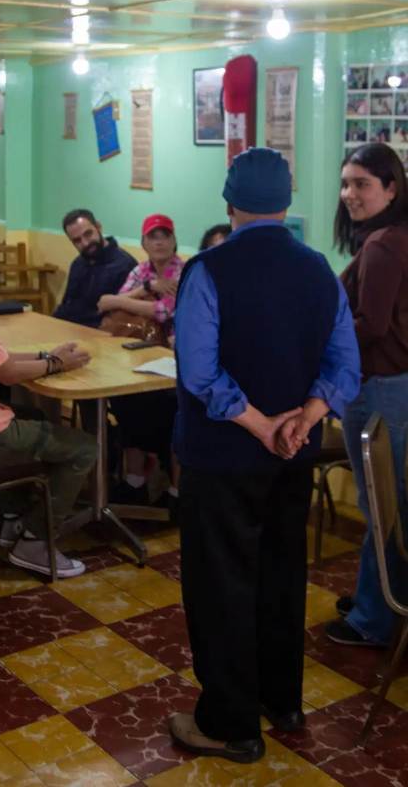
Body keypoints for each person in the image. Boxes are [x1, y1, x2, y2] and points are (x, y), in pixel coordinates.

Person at [167, 148, 360, 763]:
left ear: (229, 201)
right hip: (293, 458)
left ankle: (230, 724)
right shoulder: (320, 271)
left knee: (221, 583)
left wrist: (259, 425)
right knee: (281, 574)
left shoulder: (208, 269)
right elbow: (344, 367)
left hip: (221, 459)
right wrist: (302, 419)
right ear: (288, 200)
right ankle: (284, 700)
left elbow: (199, 374)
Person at [0, 208, 98, 577]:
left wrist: (48, 356)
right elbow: (10, 373)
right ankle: (35, 540)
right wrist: (57, 364)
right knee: (84, 448)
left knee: (34, 417)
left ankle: (10, 519)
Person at [327, 142, 408, 649]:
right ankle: (375, 596)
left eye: (362, 184)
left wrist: (321, 336)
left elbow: (370, 326)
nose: (349, 194)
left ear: (392, 188)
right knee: (392, 503)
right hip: (394, 388)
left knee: (382, 507)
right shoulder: (389, 238)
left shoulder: (383, 244)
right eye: (346, 183)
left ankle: (373, 619)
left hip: (379, 389)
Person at [100, 214, 184, 508]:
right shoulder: (142, 271)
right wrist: (148, 289)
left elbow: (163, 313)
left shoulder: (182, 272)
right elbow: (105, 303)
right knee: (125, 401)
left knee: (172, 412)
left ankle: (175, 493)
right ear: (143, 242)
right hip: (142, 354)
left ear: (174, 241)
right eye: (153, 236)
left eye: (165, 236)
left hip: (174, 358)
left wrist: (136, 299)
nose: (159, 242)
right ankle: (135, 481)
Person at [53, 208, 137, 329]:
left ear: (98, 227)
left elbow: (121, 318)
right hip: (71, 331)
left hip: (104, 336)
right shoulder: (77, 264)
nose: (85, 243)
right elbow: (67, 306)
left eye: (88, 234)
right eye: (77, 241)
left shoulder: (125, 265)